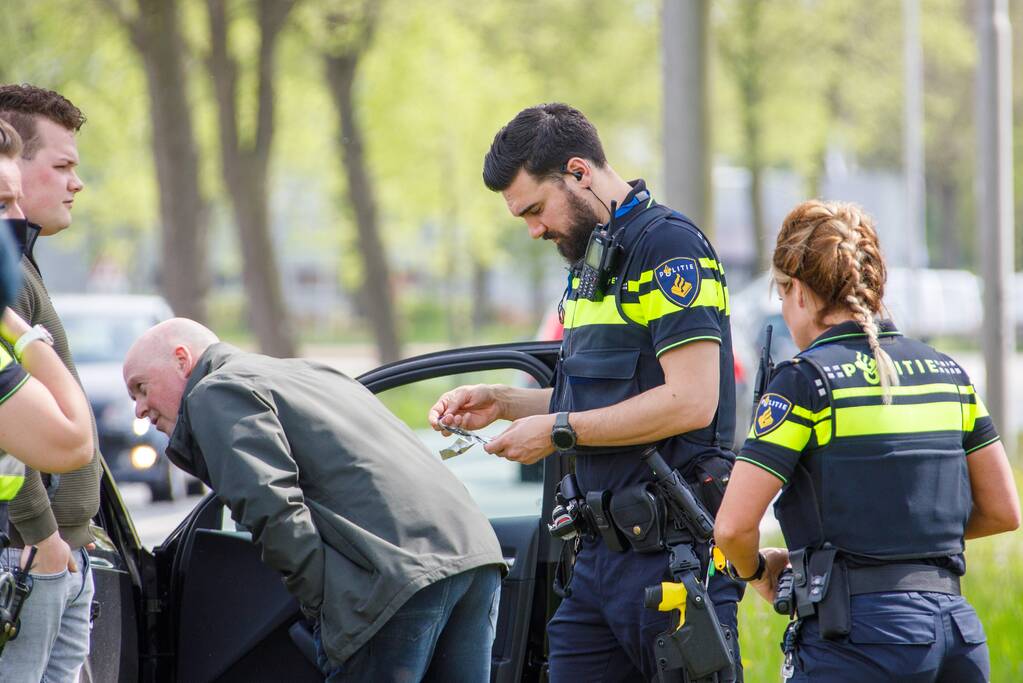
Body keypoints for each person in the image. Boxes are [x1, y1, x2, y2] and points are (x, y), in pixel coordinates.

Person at [429, 103, 744, 681]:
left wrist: (557, 431)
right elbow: (596, 399)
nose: (534, 229)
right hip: (596, 563)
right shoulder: (590, 262)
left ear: (579, 172)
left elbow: (692, 400)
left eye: (535, 209)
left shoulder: (669, 249)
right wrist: (502, 403)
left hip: (672, 562)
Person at [714, 200, 1021, 682]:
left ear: (797, 292)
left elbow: (732, 528)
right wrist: (903, 538)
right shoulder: (949, 374)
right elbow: (1004, 510)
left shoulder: (805, 382)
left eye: (781, 292)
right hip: (957, 638)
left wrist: (759, 573)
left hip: (857, 641)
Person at [122, 318, 506, 682]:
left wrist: (326, 604)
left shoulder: (215, 390)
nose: (139, 409)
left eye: (141, 387)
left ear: (182, 359)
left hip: (393, 577)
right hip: (473, 554)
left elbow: (270, 507)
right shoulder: (309, 373)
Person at [0, 84, 97, 682]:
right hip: (31, 553)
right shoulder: (10, 283)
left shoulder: (20, 269)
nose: (75, 183)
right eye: (60, 166)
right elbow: (33, 435)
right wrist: (45, 536)